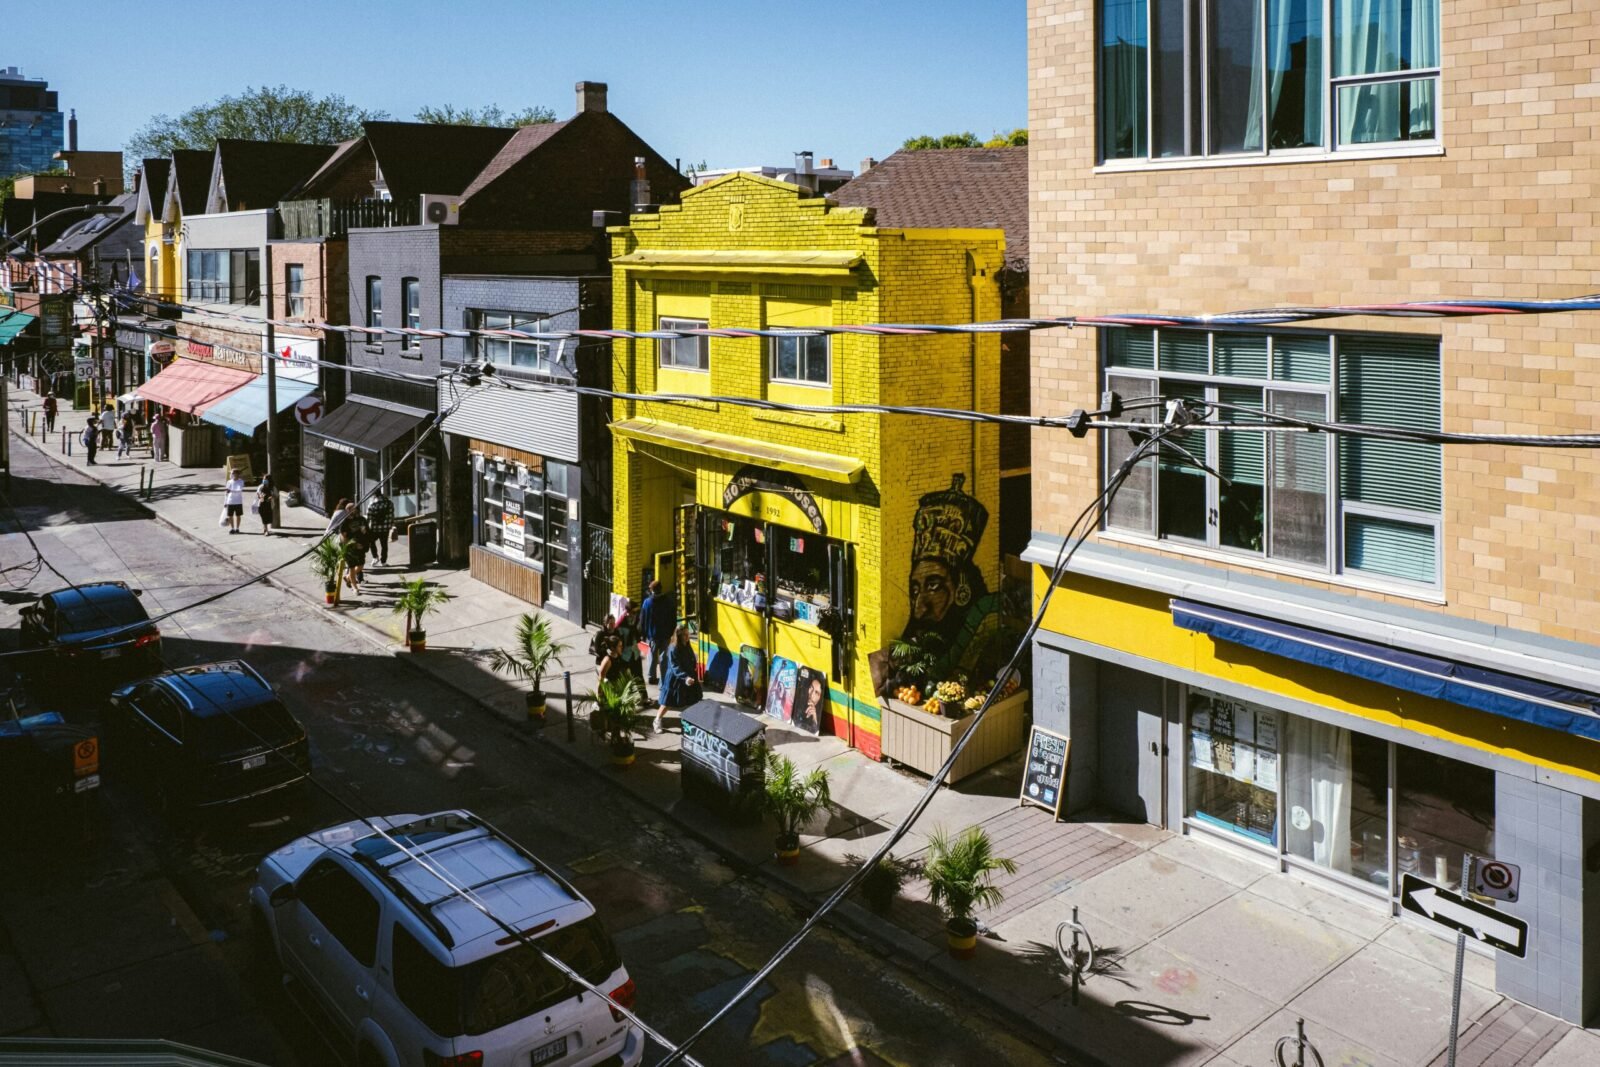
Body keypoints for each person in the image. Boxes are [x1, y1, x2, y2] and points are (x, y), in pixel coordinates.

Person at [654, 626, 702, 732]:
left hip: (688, 676)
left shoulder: (687, 645)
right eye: (684, 634)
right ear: (679, 636)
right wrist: (685, 677)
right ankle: (657, 720)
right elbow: (675, 666)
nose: (687, 636)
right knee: (668, 702)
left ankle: (691, 722)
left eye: (687, 634)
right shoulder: (673, 648)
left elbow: (691, 658)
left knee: (692, 699)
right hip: (675, 679)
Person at [640, 579, 676, 689]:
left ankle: (652, 676)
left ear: (652, 590)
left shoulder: (647, 603)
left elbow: (643, 619)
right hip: (665, 634)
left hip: (653, 635)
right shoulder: (668, 601)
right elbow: (672, 618)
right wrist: (671, 632)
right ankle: (664, 677)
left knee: (652, 655)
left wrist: (644, 634)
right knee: (664, 657)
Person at [613, 600, 645, 683]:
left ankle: (644, 696)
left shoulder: (637, 619)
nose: (636, 614)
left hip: (635, 653)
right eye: (634, 612)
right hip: (625, 655)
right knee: (624, 680)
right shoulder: (621, 623)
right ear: (628, 612)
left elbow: (639, 634)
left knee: (639, 677)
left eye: (637, 612)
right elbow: (617, 639)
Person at [366, 490, 395, 566]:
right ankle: (383, 561)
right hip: (385, 528)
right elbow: (391, 515)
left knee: (371, 542)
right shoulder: (389, 503)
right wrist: (392, 524)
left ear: (374, 496)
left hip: (374, 528)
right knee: (384, 545)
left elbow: (368, 517)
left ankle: (375, 557)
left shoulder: (372, 504)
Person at [223, 469, 246, 534]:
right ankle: (232, 528)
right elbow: (226, 493)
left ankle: (237, 528)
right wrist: (225, 502)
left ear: (237, 474)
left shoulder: (241, 481)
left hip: (238, 501)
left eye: (232, 473)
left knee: (238, 515)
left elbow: (239, 490)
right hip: (230, 501)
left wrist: (231, 491)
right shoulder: (229, 482)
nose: (231, 475)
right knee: (230, 516)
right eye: (231, 473)